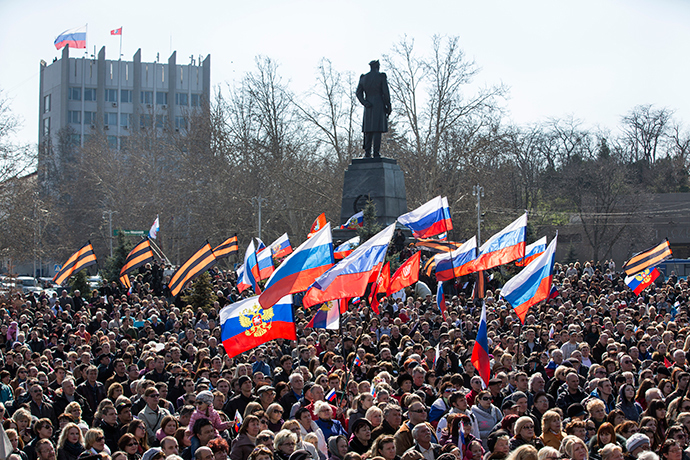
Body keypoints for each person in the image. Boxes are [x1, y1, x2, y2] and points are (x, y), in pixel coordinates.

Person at [355, 60, 391, 158]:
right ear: (377, 66)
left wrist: (364, 102)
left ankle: (367, 152)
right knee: (377, 129)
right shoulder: (381, 77)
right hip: (379, 104)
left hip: (368, 105)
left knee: (368, 129)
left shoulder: (364, 78)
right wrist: (388, 105)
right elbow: (386, 92)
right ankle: (375, 152)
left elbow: (358, 93)